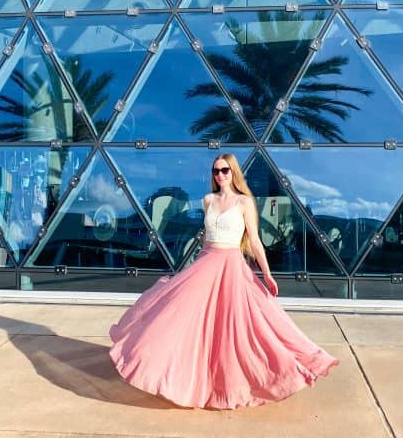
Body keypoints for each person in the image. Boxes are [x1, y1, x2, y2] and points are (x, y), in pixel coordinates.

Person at [109, 153, 339, 409]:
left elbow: (254, 241)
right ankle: (184, 379)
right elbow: (207, 240)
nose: (220, 175)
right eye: (216, 171)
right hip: (207, 264)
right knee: (182, 320)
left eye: (225, 170)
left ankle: (236, 383)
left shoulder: (244, 202)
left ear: (234, 172)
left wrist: (267, 274)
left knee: (236, 328)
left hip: (232, 266)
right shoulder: (208, 200)